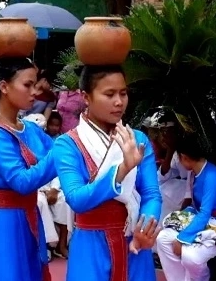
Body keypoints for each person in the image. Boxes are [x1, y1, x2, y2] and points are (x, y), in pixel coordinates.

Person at [54, 65, 162, 281]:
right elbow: (76, 199)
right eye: (109, 94)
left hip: (134, 241)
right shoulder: (68, 144)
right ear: (86, 97)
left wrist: (146, 227)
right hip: (90, 244)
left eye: (123, 93)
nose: (119, 102)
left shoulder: (137, 139)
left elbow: (151, 194)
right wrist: (121, 171)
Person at [0, 58, 57, 281]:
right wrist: (64, 152)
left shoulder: (30, 128)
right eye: (27, 85)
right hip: (4, 223)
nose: (34, 92)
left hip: (29, 216)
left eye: (35, 85)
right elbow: (21, 181)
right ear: (4, 86)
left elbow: (61, 156)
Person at [155, 134, 216, 281]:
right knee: (163, 238)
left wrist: (182, 238)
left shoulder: (211, 175)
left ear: (184, 157)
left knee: (190, 257)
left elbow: (205, 212)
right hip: (207, 222)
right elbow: (195, 207)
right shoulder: (194, 172)